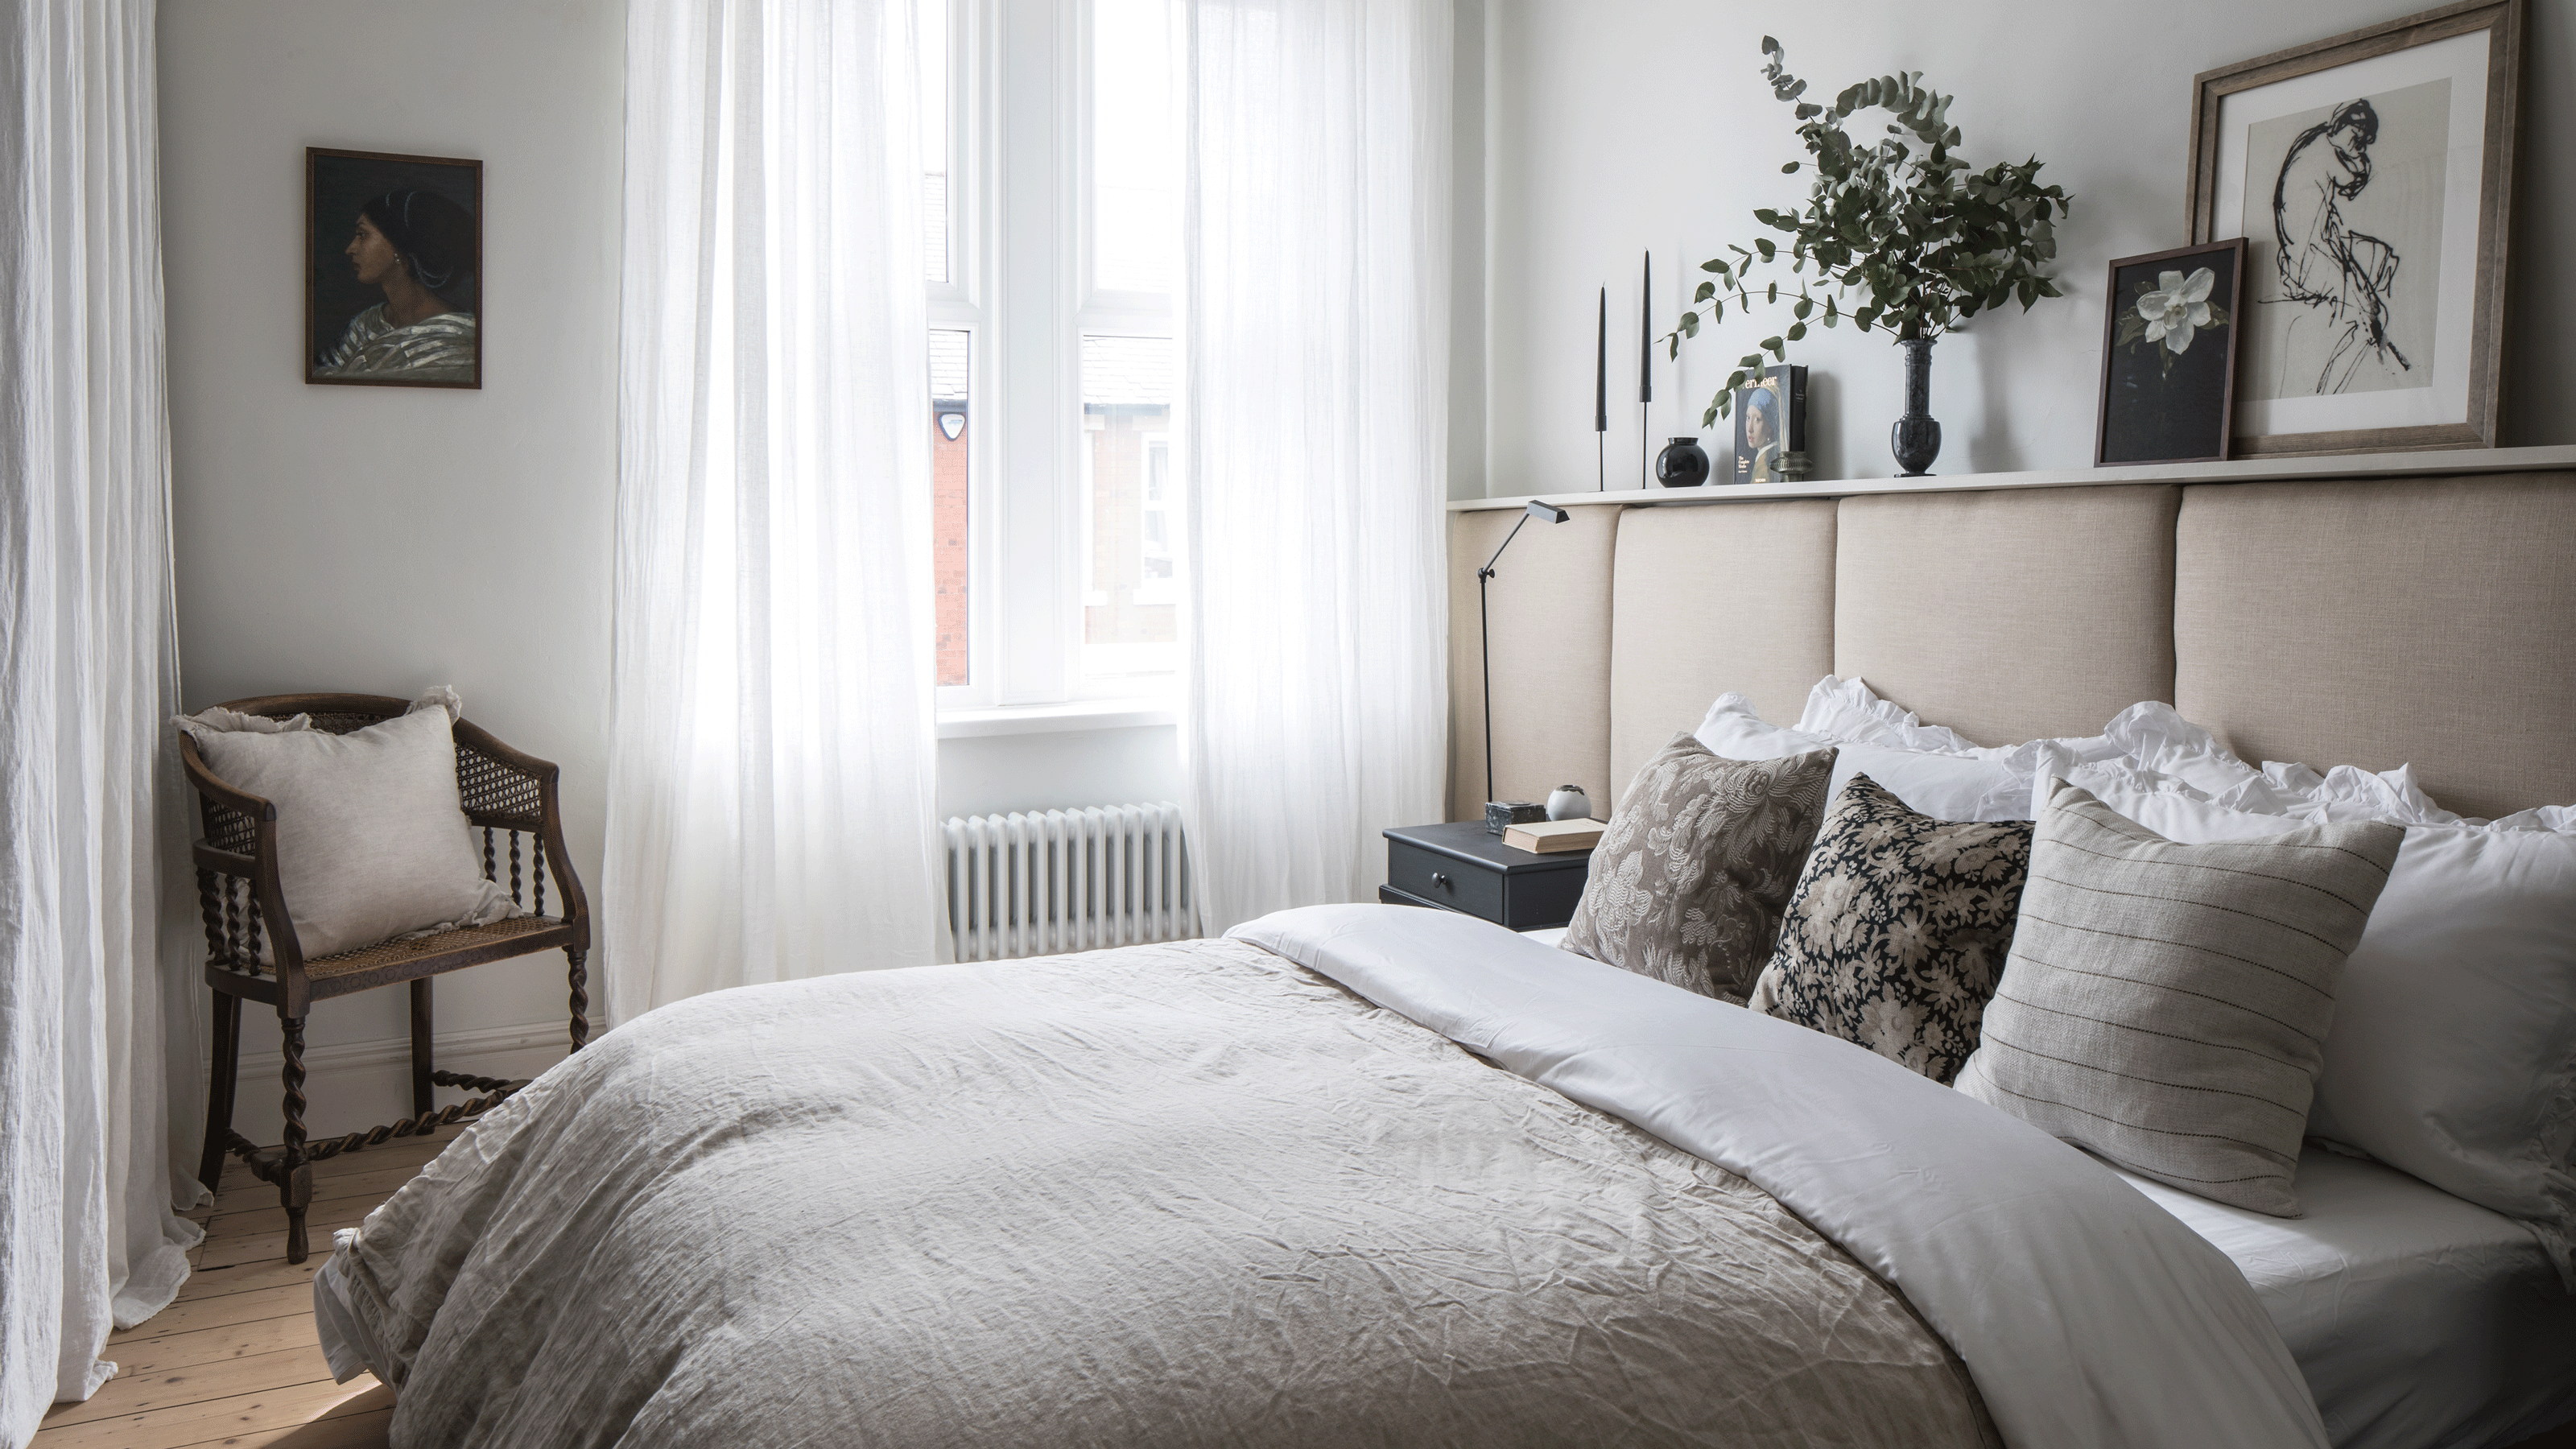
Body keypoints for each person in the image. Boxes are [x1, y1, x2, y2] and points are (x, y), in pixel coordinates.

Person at [2268, 97, 2407, 394]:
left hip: (2314, 243)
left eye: (2363, 141)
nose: (2359, 145)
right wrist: (2362, 162)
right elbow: (2353, 180)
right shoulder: (2327, 153)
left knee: (2378, 261)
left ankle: (2379, 353)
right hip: (2309, 254)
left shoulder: (2317, 139)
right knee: (2370, 312)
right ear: (2341, 125)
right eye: (2357, 138)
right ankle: (2337, 385)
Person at [315, 189, 478, 382]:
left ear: (398, 245)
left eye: (363, 235)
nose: (350, 249)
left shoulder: (458, 341)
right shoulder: (366, 324)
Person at [1736, 384, 1782, 484]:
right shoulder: (1764, 458)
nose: (1749, 428)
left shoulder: (1764, 464)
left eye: (1757, 420)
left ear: (1770, 426)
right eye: (1748, 417)